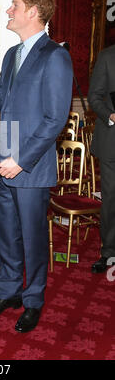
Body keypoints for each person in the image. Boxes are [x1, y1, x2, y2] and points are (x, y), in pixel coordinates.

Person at [0, 0, 73, 332]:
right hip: (3, 161)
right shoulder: (12, 55)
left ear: (33, 12)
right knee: (6, 233)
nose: (9, 10)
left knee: (34, 236)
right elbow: (0, 100)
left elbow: (56, 119)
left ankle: (33, 299)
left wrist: (22, 161)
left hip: (30, 167)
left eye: (15, 5)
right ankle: (8, 292)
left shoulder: (55, 56)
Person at [87, 44, 115, 273]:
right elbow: (94, 97)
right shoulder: (107, 56)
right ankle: (109, 253)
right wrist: (111, 115)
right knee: (112, 199)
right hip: (111, 142)